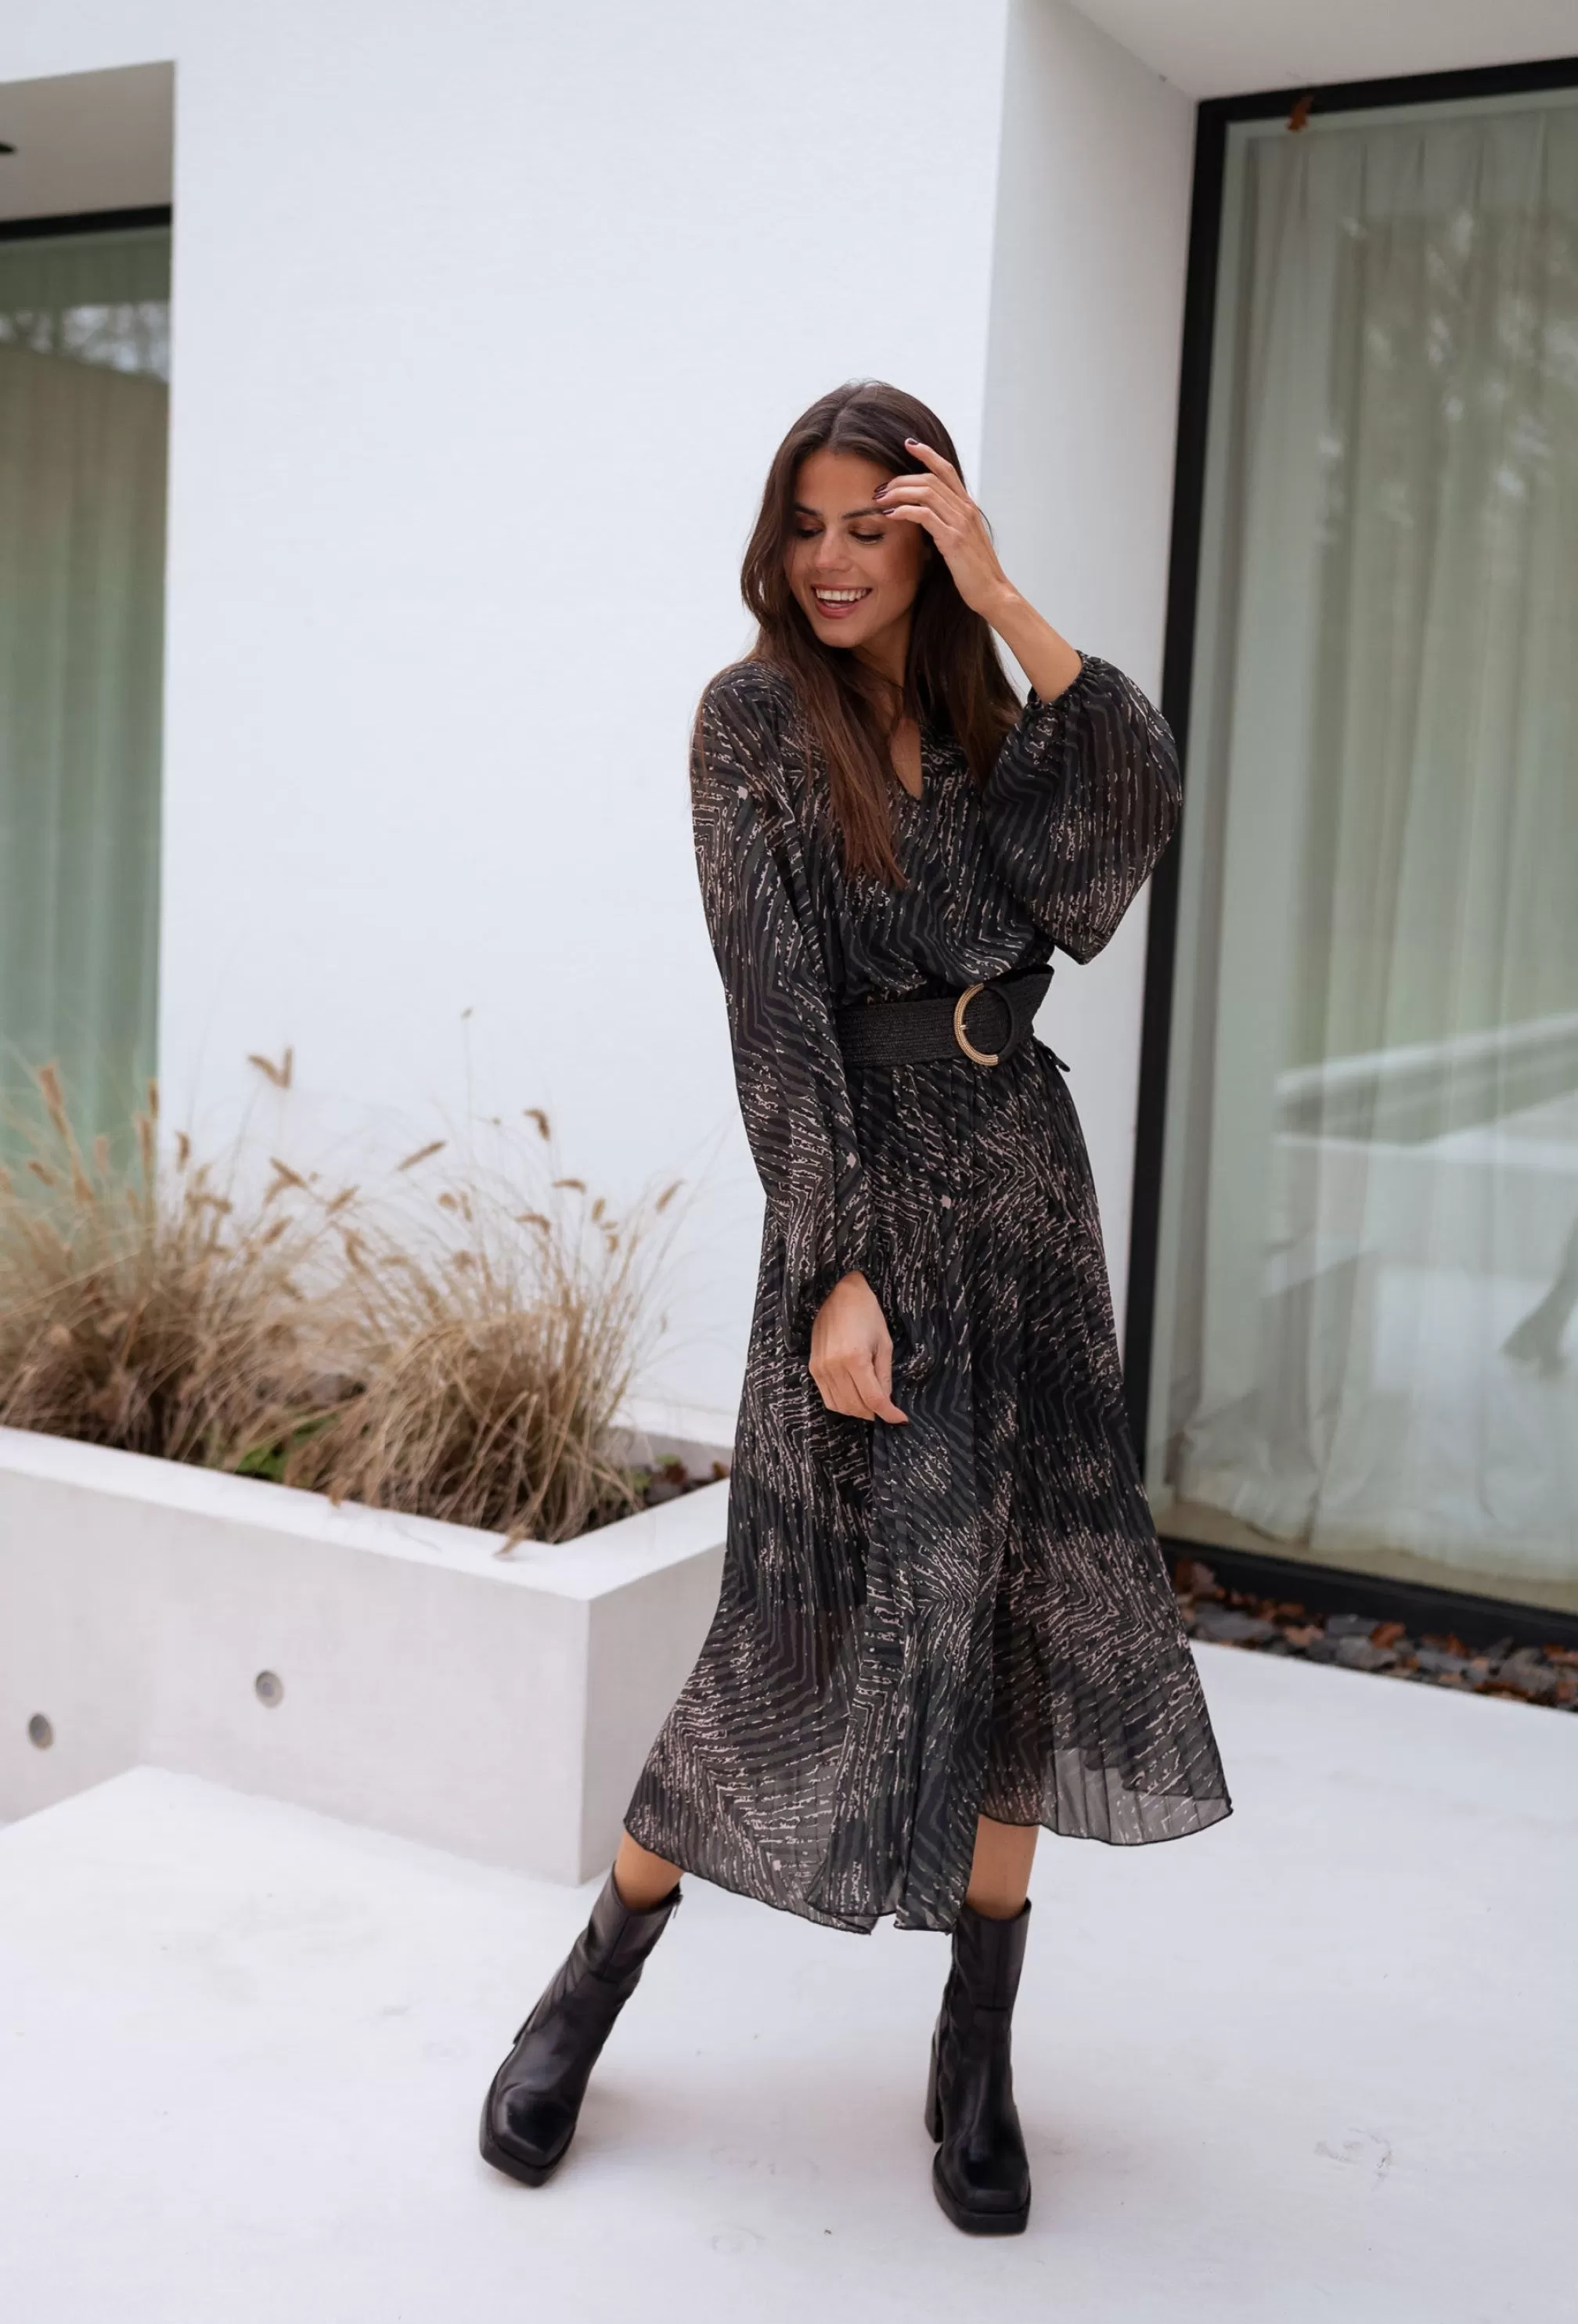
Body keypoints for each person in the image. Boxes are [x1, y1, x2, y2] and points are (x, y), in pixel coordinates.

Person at [480, 380, 1231, 2236]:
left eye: (871, 527)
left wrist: (1002, 590)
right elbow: (774, 1010)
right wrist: (832, 1265)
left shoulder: (993, 719)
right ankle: (591, 1979)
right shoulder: (749, 721)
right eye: (805, 525)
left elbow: (1130, 805)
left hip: (1024, 1188)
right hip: (863, 1188)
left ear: (928, 536)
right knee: (792, 1619)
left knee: (1029, 1610)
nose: (832, 559)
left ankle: (975, 2049)